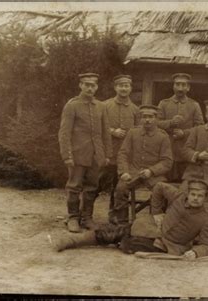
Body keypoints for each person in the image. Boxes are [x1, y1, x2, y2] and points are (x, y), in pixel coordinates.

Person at [50, 179, 208, 260]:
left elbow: (206, 244)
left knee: (128, 244)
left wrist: (196, 252)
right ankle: (70, 241)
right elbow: (159, 187)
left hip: (168, 246)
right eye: (193, 194)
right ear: (188, 194)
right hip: (153, 230)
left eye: (200, 196)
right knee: (117, 231)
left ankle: (121, 242)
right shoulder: (178, 197)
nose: (196, 199)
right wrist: (156, 212)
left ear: (205, 198)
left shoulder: (206, 217)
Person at [58, 73, 112, 232]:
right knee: (74, 186)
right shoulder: (72, 105)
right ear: (80, 85)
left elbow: (105, 132)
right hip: (78, 154)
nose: (90, 88)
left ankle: (87, 217)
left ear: (97, 87)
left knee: (92, 187)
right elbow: (64, 132)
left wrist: (107, 154)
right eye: (86, 84)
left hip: (96, 155)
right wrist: (66, 155)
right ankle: (73, 218)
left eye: (93, 85)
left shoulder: (101, 106)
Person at [109, 104, 173, 226]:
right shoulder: (133, 133)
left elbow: (167, 161)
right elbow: (123, 154)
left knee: (162, 191)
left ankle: (156, 223)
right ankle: (122, 224)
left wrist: (151, 171)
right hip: (133, 171)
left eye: (150, 117)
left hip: (155, 175)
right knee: (121, 189)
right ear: (140, 118)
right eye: (144, 117)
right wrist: (124, 172)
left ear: (156, 118)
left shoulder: (163, 137)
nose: (147, 120)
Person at [102, 75, 140, 224]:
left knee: (120, 185)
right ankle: (85, 215)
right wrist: (112, 131)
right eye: (121, 86)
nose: (124, 89)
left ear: (130, 88)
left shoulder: (135, 109)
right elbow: (99, 127)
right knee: (99, 182)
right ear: (115, 87)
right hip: (108, 152)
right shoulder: (105, 105)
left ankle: (116, 215)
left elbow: (138, 131)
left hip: (125, 155)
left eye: (127, 86)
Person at [157, 73, 205, 182]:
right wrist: (170, 123)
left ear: (188, 88)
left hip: (186, 149)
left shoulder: (194, 105)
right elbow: (155, 123)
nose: (180, 88)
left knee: (185, 182)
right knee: (165, 181)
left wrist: (184, 133)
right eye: (177, 84)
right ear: (173, 86)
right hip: (167, 149)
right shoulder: (164, 103)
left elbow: (200, 127)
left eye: (183, 85)